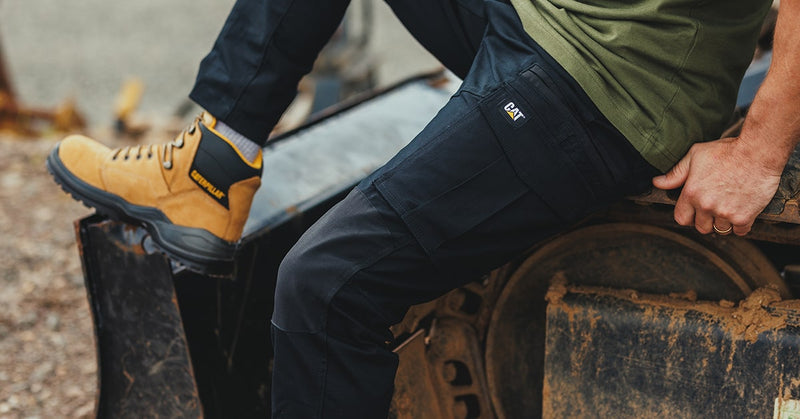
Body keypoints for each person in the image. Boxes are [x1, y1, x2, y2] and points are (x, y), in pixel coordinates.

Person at [47, 0, 798, 416]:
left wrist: (757, 153)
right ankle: (210, 171)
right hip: (545, 21)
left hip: (605, 88)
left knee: (326, 287)